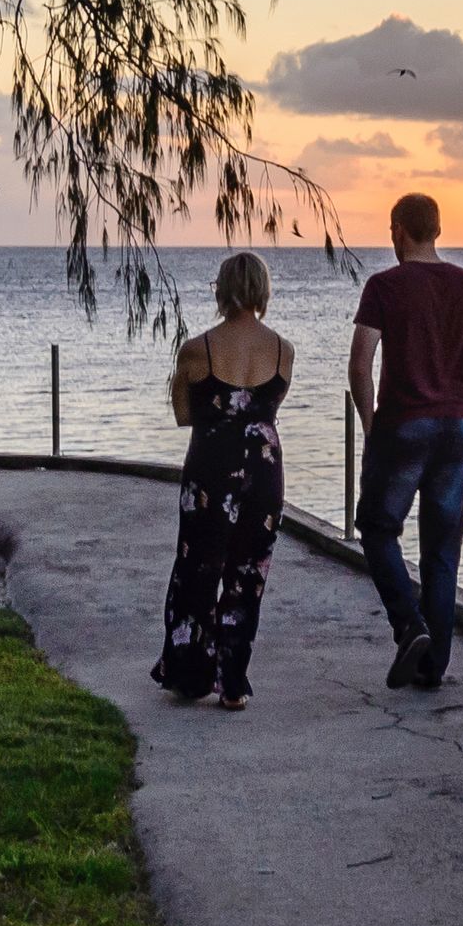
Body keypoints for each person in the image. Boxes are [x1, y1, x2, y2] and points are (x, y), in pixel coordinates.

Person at [351, 192, 463, 690]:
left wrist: (370, 425)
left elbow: (360, 364)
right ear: (437, 230)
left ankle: (409, 625)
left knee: (377, 529)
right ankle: (432, 667)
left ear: (398, 230)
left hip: (403, 426)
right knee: (441, 552)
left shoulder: (384, 286)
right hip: (455, 432)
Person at [153, 250, 293, 709]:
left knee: (198, 568)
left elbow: (182, 414)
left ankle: (191, 675)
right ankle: (232, 684)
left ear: (222, 289)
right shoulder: (283, 351)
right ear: (263, 292)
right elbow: (266, 408)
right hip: (264, 473)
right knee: (248, 574)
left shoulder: (197, 350)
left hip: (211, 469)